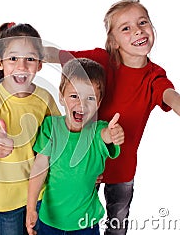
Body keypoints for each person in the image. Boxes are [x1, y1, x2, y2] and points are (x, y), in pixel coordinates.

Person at [44, 0, 180, 235]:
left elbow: (174, 98)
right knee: (78, 221)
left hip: (122, 170)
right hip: (84, 163)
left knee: (117, 224)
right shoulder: (101, 60)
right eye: (126, 27)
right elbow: (61, 55)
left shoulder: (153, 76)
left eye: (143, 22)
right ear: (113, 42)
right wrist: (33, 51)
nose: (138, 30)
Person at [0, 23, 61, 235]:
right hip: (6, 198)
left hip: (40, 193)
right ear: (0, 62)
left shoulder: (45, 98)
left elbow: (61, 137)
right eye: (13, 58)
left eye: (29, 59)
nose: (21, 66)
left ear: (39, 64)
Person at [26, 58, 125, 235]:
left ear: (99, 103)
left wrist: (114, 133)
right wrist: (31, 207)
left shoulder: (98, 130)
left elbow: (107, 136)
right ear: (61, 97)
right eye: (74, 96)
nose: (81, 104)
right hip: (50, 221)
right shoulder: (51, 127)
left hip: (85, 224)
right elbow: (39, 168)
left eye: (90, 98)